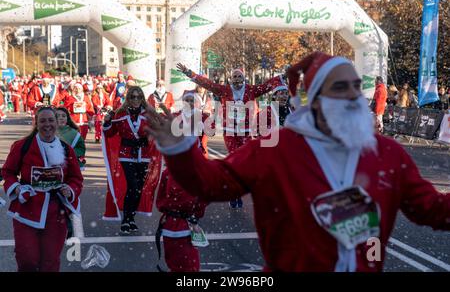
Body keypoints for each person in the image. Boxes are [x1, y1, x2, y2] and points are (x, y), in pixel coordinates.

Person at [146, 51, 450, 272]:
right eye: (339, 88)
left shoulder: (387, 154)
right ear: (316, 99)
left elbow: (432, 210)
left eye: (356, 87)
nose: (353, 97)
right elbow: (212, 184)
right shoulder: (275, 149)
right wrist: (181, 152)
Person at [176, 63, 282, 208]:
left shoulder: (251, 90)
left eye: (240, 76)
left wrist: (282, 76)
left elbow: (266, 86)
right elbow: (207, 83)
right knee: (233, 161)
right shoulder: (224, 90)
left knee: (244, 163)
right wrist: (190, 73)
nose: (237, 79)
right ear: (230, 79)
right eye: (234, 77)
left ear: (244, 79)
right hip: (230, 131)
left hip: (246, 131)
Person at [1, 106, 83, 272]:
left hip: (56, 212)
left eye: (51, 120)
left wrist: (70, 189)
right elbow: (8, 172)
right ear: (36, 123)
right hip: (27, 210)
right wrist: (16, 188)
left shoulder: (66, 149)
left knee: (50, 262)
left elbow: (76, 178)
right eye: (43, 121)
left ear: (56, 123)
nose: (47, 124)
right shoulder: (22, 146)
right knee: (27, 260)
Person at [153, 90, 209, 272]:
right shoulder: (177, 117)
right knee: (187, 265)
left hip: (176, 222)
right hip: (177, 223)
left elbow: (161, 200)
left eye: (193, 100)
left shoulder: (203, 117)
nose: (190, 103)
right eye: (187, 100)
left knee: (180, 263)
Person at [103, 86, 156, 234]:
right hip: (126, 154)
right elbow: (110, 133)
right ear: (128, 98)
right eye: (133, 97)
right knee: (132, 185)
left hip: (144, 155)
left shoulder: (148, 114)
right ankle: (125, 219)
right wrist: (107, 122)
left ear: (142, 98)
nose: (136, 100)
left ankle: (131, 218)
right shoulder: (120, 114)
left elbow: (158, 130)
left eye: (139, 97)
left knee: (138, 188)